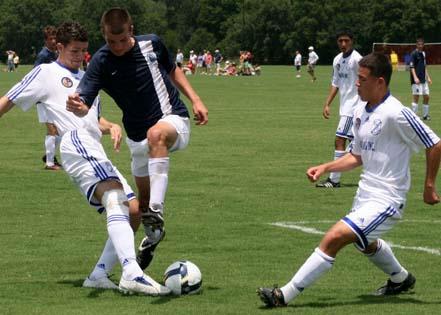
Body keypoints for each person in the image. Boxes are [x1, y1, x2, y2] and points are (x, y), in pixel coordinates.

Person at [258, 52, 441, 307]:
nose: (356, 83)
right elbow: (357, 157)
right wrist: (326, 167)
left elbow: (435, 143)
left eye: (362, 79)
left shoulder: (397, 113)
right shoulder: (360, 110)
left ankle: (284, 295)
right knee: (364, 243)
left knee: (335, 237)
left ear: (379, 82)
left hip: (387, 200)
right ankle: (400, 278)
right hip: (365, 195)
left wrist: (429, 186)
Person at [0, 21, 169, 296]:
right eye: (75, 51)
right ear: (59, 47)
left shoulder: (88, 76)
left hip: (93, 146)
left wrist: (110, 125)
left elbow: (92, 117)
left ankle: (100, 274)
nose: (80, 56)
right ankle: (131, 272)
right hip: (74, 142)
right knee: (115, 197)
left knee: (134, 210)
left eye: (83, 51)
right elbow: (7, 100)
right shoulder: (45, 72)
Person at [66, 7, 208, 272]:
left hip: (172, 120)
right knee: (138, 208)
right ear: (104, 34)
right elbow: (85, 100)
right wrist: (78, 105)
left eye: (122, 40)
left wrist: (196, 99)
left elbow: (172, 69)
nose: (117, 46)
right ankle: (148, 242)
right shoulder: (101, 60)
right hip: (136, 139)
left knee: (156, 135)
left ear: (131, 30)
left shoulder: (151, 43)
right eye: (111, 41)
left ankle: (157, 208)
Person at [316, 30, 364, 188]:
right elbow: (335, 83)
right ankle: (379, 174)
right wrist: (327, 103)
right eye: (340, 41)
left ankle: (333, 180)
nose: (343, 44)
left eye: (346, 41)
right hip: (345, 108)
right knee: (359, 144)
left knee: (339, 140)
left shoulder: (357, 59)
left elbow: (367, 77)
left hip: (355, 107)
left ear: (352, 41)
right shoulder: (337, 60)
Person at [35, 25, 62, 170]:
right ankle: (49, 163)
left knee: (58, 129)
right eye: (50, 38)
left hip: (54, 98)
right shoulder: (43, 55)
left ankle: (49, 156)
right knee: (52, 129)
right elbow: (35, 76)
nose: (53, 41)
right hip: (43, 98)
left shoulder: (57, 53)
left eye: (55, 38)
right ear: (45, 40)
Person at [410, 38, 432, 120]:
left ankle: (425, 116)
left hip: (424, 79)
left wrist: (428, 77)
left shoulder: (423, 53)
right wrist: (415, 77)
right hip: (416, 80)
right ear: (416, 45)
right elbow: (412, 67)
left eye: (421, 44)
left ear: (423, 45)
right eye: (419, 44)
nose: (420, 46)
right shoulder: (413, 54)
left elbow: (424, 66)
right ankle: (413, 117)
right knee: (416, 97)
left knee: (426, 96)